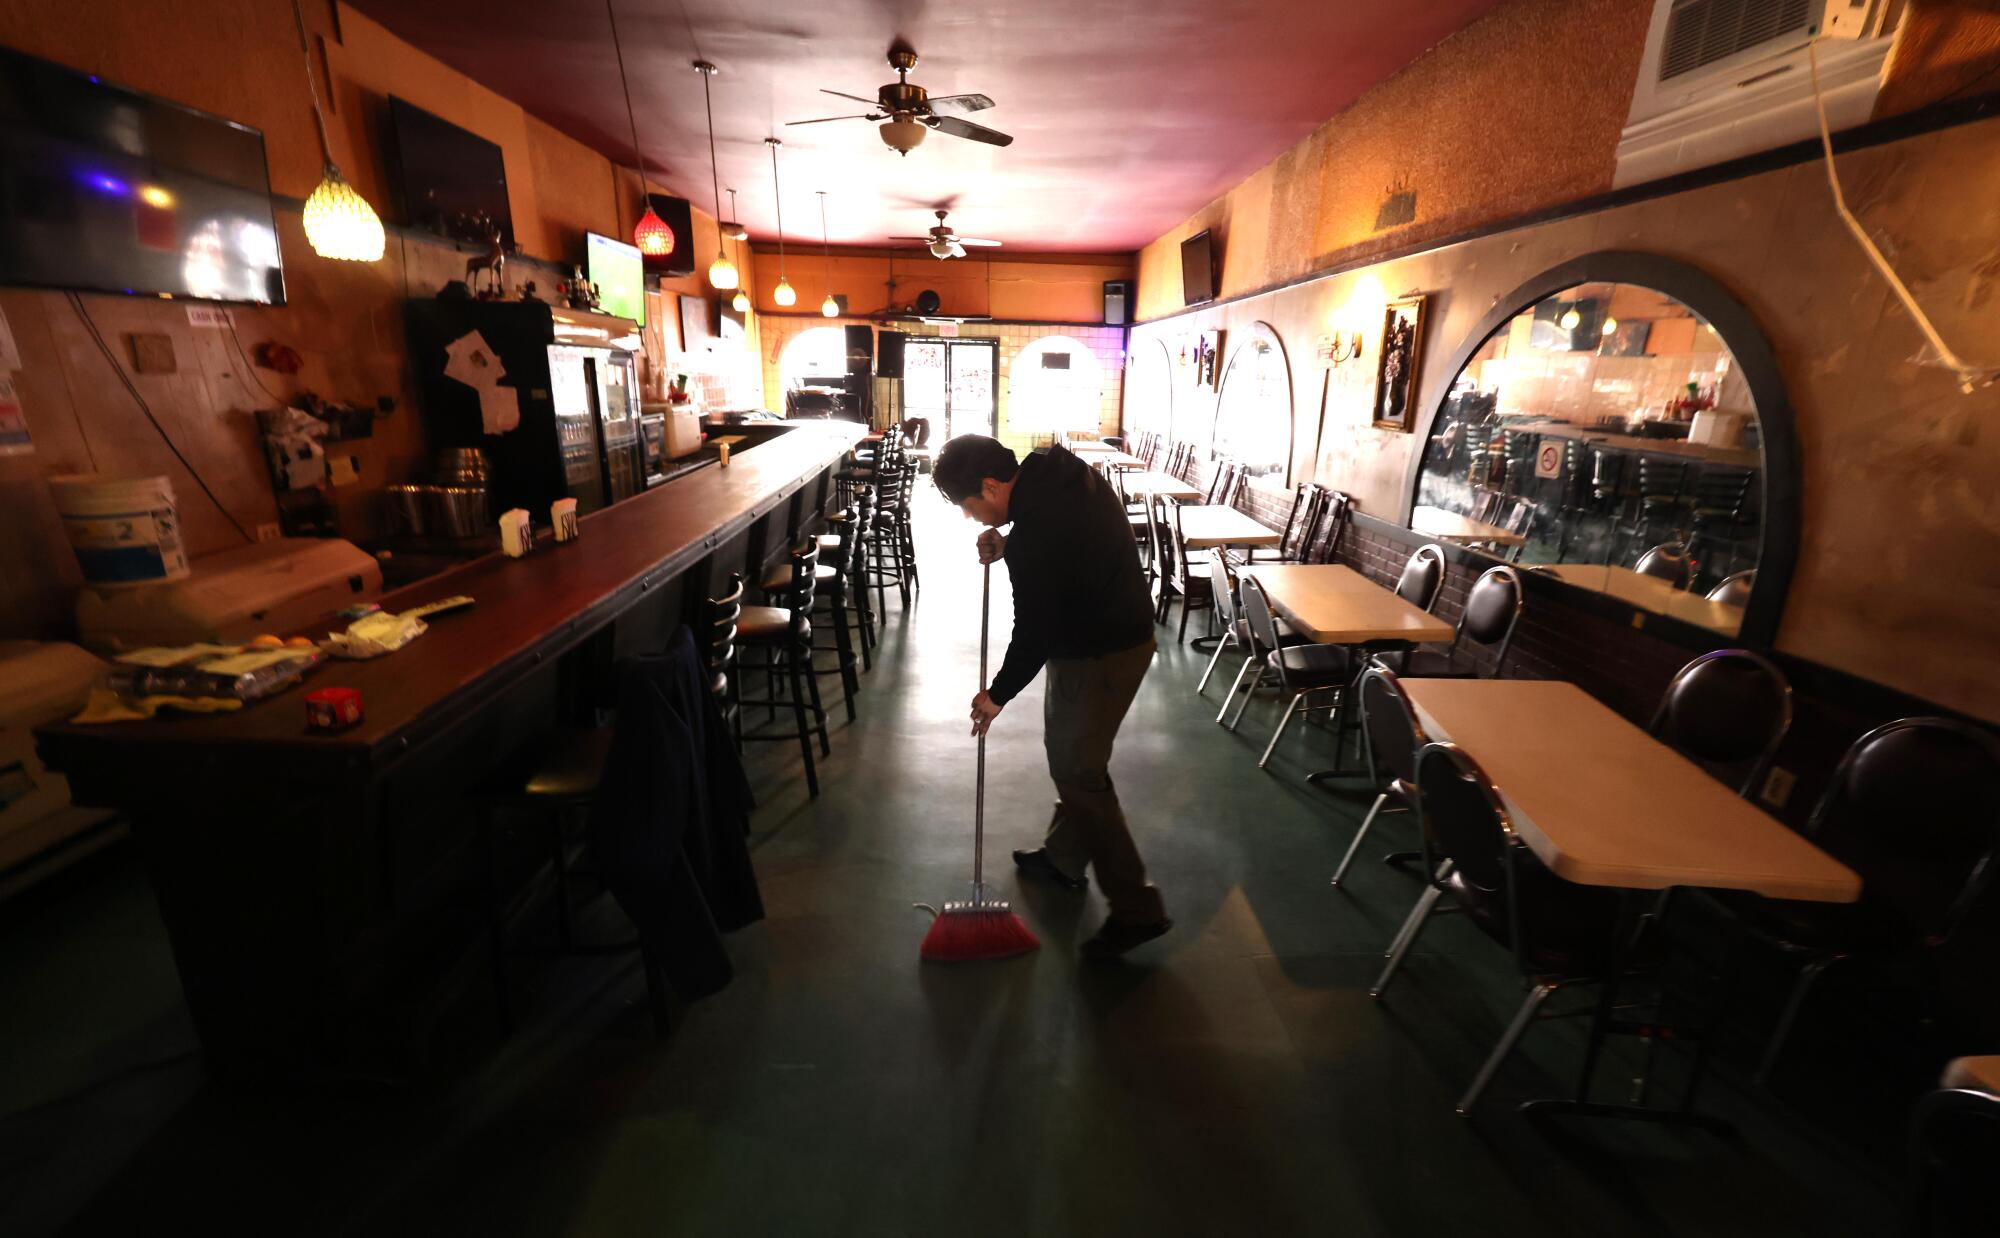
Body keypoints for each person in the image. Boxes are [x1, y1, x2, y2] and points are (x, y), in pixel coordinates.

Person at [931, 434, 1171, 958]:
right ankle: (1063, 856)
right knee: (1067, 756)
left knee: (1080, 773)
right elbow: (1067, 542)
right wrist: (1009, 543)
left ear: (992, 485)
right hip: (1100, 632)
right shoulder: (1050, 470)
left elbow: (1033, 632)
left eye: (970, 505)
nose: (972, 518)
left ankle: (1137, 910)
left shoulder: (1038, 533)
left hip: (1102, 651)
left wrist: (996, 695)